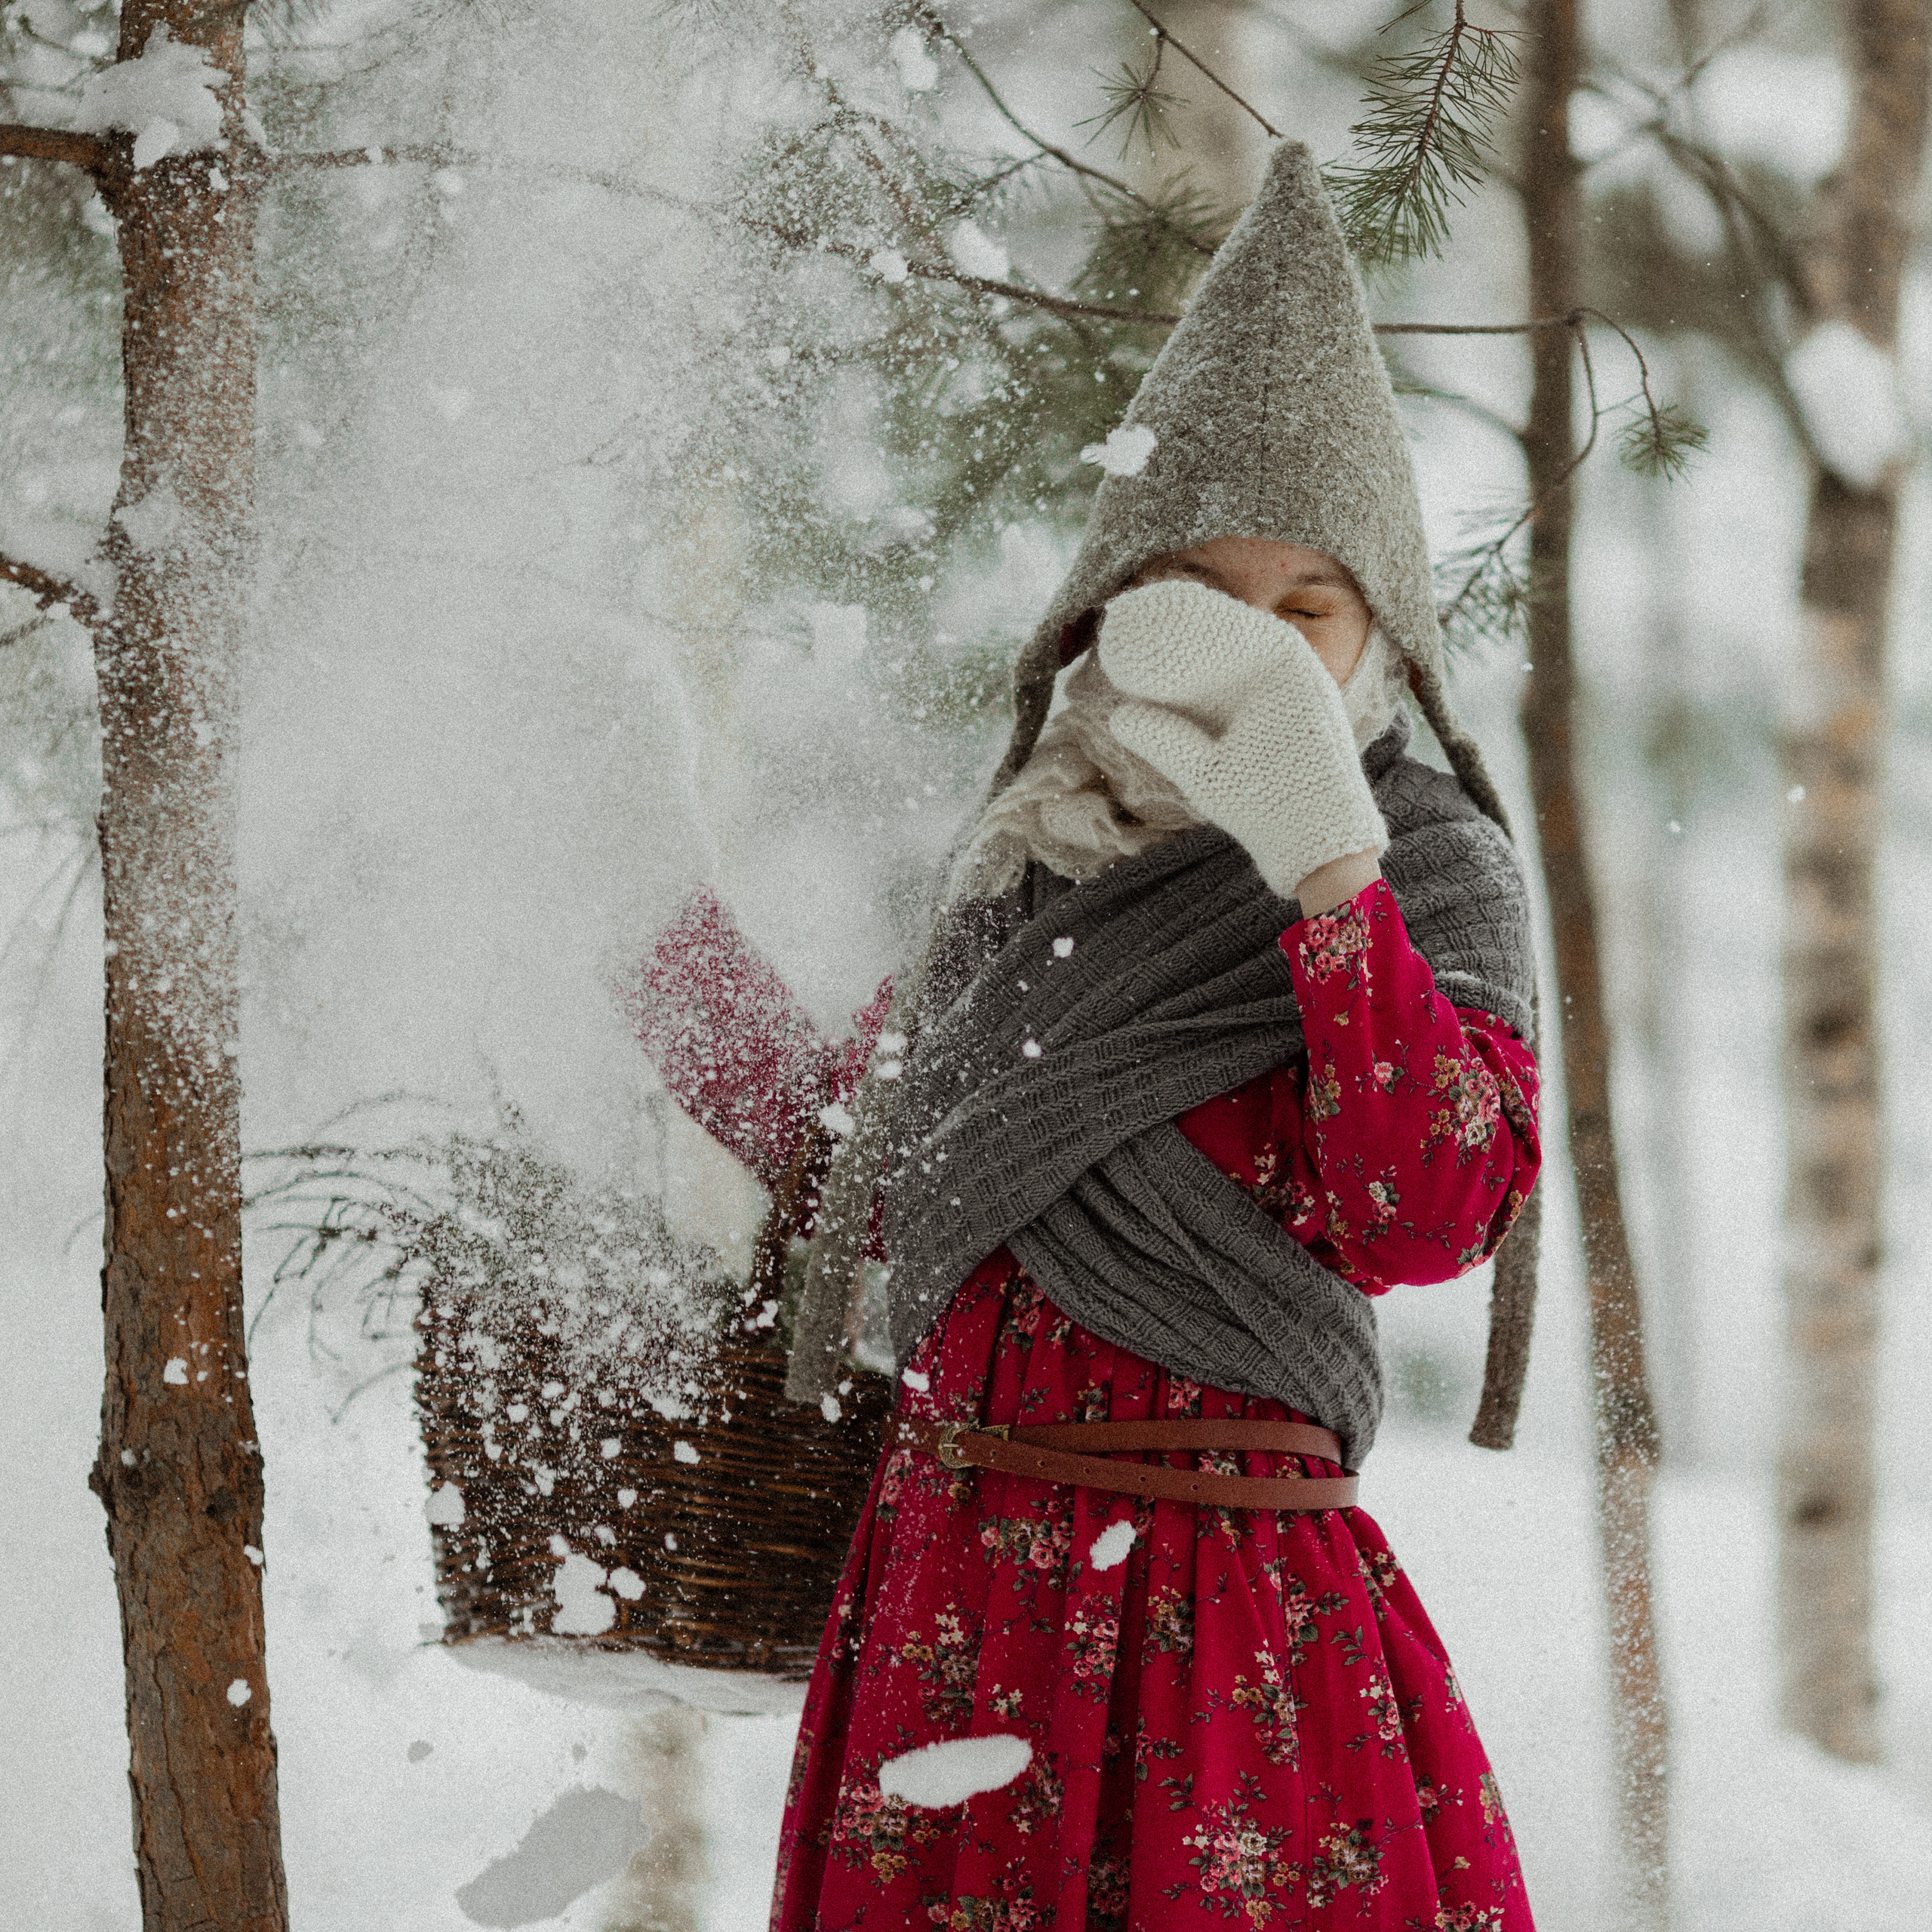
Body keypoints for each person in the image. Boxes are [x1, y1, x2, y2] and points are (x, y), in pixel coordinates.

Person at [641, 143, 1541, 1932]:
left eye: (1310, 610)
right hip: (954, 1604)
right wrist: (653, 940)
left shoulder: (1433, 861)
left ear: (1377, 630)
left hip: (1228, 1630)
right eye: (1210, 598)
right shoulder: (1028, 855)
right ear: (1117, 609)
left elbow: (1428, 1211)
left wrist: (1326, 873)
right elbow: (891, 1172)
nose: (1266, 656)